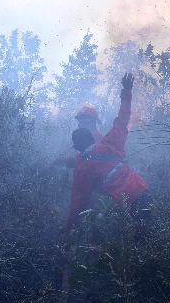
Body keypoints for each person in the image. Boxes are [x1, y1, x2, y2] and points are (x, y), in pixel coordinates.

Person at [67, 73, 151, 238]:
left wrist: (70, 237)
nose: (83, 124)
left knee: (125, 244)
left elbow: (78, 204)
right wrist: (127, 90)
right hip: (143, 191)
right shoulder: (111, 142)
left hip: (123, 204)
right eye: (81, 121)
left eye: (86, 121)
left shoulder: (84, 167)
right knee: (145, 242)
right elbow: (123, 119)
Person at [49, 103, 103, 168]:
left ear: (93, 121)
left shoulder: (95, 137)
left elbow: (90, 162)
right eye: (80, 119)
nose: (81, 122)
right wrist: (64, 160)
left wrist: (65, 160)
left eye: (85, 119)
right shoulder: (84, 136)